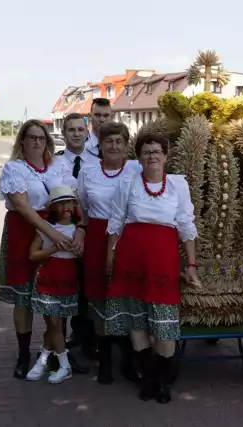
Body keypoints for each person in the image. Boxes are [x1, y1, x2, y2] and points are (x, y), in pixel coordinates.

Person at [105, 132, 201, 404]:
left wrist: (191, 265)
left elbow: (186, 225)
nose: (151, 157)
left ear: (166, 155)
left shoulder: (177, 186)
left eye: (157, 151)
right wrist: (110, 256)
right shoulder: (129, 183)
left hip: (163, 263)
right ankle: (149, 381)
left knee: (164, 327)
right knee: (137, 323)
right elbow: (116, 220)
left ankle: (161, 379)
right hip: (130, 261)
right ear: (139, 157)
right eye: (146, 152)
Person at [0, 119, 70, 380]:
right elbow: (23, 206)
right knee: (24, 298)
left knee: (55, 296)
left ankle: (55, 354)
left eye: (41, 137)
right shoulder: (14, 169)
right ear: (23, 141)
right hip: (23, 232)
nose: (37, 142)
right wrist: (51, 233)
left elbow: (70, 198)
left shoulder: (58, 167)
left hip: (52, 229)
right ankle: (23, 354)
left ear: (48, 142)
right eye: (32, 137)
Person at [76, 122, 142, 384]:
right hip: (97, 237)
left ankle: (128, 361)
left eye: (119, 141)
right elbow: (82, 205)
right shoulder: (88, 171)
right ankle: (104, 362)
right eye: (108, 141)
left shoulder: (137, 169)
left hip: (129, 237)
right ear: (100, 145)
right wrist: (81, 229)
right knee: (100, 300)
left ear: (127, 145)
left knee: (126, 299)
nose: (114, 146)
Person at [49, 112, 98, 370]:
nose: (76, 133)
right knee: (61, 287)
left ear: (87, 132)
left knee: (87, 287)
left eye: (80, 129)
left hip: (92, 231)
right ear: (64, 133)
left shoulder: (98, 161)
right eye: (71, 130)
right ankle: (60, 347)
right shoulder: (54, 162)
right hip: (62, 233)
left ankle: (87, 339)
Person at [26, 184, 80, 384]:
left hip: (67, 281)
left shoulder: (77, 230)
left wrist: (78, 249)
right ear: (53, 207)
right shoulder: (46, 228)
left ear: (75, 205)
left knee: (55, 324)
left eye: (69, 202)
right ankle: (65, 365)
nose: (66, 206)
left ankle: (43, 358)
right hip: (48, 280)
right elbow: (32, 254)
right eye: (61, 203)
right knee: (53, 322)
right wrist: (52, 250)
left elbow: (83, 254)